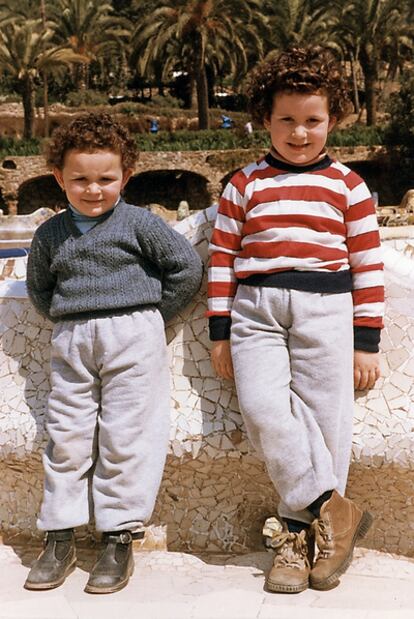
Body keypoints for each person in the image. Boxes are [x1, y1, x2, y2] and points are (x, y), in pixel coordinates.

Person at [207, 46, 384, 593]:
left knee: (327, 423)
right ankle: (335, 510)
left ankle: (299, 540)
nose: (300, 132)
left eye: (313, 120)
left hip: (327, 310)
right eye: (287, 119)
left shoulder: (349, 186)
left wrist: (366, 342)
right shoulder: (244, 184)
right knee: (264, 411)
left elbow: (367, 264)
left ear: (332, 120)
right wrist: (220, 332)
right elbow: (222, 259)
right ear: (265, 117)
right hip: (256, 312)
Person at [25, 112, 203, 594]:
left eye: (106, 178)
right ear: (59, 177)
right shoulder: (50, 235)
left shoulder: (140, 224)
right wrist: (73, 318)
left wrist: (148, 318)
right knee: (67, 434)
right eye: (79, 178)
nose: (93, 189)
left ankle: (118, 535)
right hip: (73, 337)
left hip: (134, 335)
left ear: (126, 175)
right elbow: (40, 289)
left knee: (127, 435)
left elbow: (185, 269)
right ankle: (59, 535)